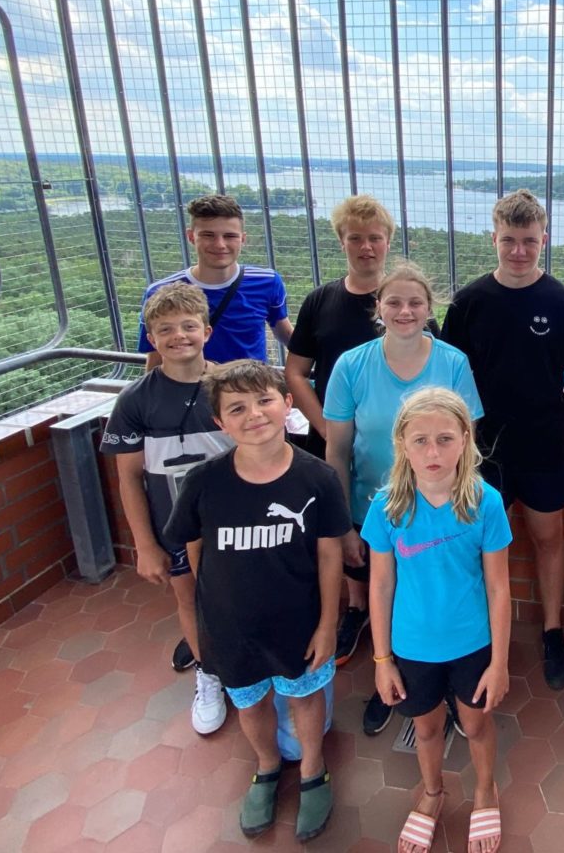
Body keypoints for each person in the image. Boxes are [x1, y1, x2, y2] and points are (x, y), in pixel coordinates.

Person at [163, 361, 345, 843]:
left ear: (287, 403)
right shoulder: (204, 482)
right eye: (237, 408)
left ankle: (313, 770)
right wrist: (212, 613)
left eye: (264, 400)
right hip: (233, 628)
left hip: (299, 623)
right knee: (251, 702)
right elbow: (195, 549)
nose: (254, 415)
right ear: (219, 421)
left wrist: (327, 624)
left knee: (305, 696)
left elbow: (330, 555)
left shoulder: (318, 478)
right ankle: (266, 767)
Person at [440, 189, 564, 691]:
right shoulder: (469, 302)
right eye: (509, 240)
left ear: (544, 241)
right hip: (480, 448)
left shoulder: (561, 302)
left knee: (548, 538)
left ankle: (552, 631)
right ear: (493, 238)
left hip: (542, 447)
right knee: (475, 542)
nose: (519, 251)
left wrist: (559, 414)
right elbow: (450, 373)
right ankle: (478, 634)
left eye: (529, 241)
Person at [324, 262, 482, 737]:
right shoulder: (352, 365)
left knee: (432, 596)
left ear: (429, 308)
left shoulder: (452, 363)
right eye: (394, 302)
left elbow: (467, 442)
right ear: (378, 308)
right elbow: (337, 450)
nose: (405, 311)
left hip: (442, 511)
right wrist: (343, 524)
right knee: (386, 596)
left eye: (415, 302)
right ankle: (390, 679)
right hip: (376, 512)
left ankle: (448, 689)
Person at [363, 388, 511, 853]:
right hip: (411, 648)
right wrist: (382, 660)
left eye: (445, 439)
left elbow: (499, 588)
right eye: (420, 440)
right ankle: (432, 792)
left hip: (472, 645)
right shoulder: (386, 507)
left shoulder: (485, 502)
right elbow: (380, 585)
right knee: (426, 729)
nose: (433, 453)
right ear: (401, 445)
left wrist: (500, 663)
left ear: (465, 439)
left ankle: (485, 791)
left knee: (477, 725)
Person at [100, 283, 234, 735]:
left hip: (236, 520)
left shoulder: (232, 385)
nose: (179, 336)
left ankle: (253, 669)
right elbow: (129, 477)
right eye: (165, 329)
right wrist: (144, 545)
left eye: (188, 326)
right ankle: (209, 673)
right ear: (152, 338)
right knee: (189, 597)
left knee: (244, 593)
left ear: (207, 331)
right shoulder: (136, 400)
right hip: (175, 523)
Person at [286, 195, 404, 665]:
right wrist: (328, 427)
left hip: (391, 444)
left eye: (375, 238)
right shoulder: (321, 302)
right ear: (342, 242)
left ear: (388, 241)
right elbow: (296, 372)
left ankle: (393, 616)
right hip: (332, 439)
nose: (367, 247)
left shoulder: (403, 303)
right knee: (346, 524)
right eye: (356, 238)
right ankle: (357, 609)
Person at [138, 194, 292, 369]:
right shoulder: (160, 293)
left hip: (249, 384)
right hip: (191, 385)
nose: (220, 244)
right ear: (191, 236)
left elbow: (285, 333)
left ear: (243, 239)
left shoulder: (267, 282)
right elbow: (156, 359)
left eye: (229, 236)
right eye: (208, 235)